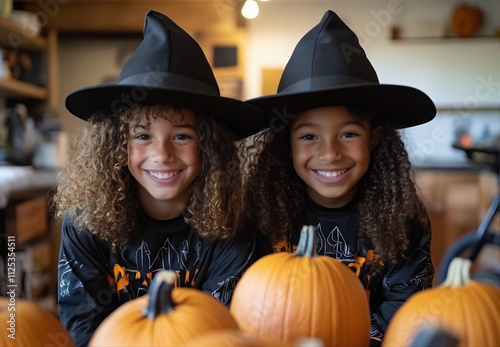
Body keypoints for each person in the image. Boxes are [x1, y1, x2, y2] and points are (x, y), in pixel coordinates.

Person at [53, 11, 265, 347]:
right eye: (142, 136)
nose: (162, 155)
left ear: (210, 146)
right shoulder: (84, 224)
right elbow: (83, 327)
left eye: (182, 136)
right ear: (117, 143)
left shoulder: (233, 226)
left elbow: (220, 331)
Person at [242, 10, 436, 345]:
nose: (330, 154)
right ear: (285, 145)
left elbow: (406, 308)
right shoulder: (259, 213)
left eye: (348, 134)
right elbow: (249, 305)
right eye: (308, 137)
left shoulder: (401, 217)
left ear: (373, 138)